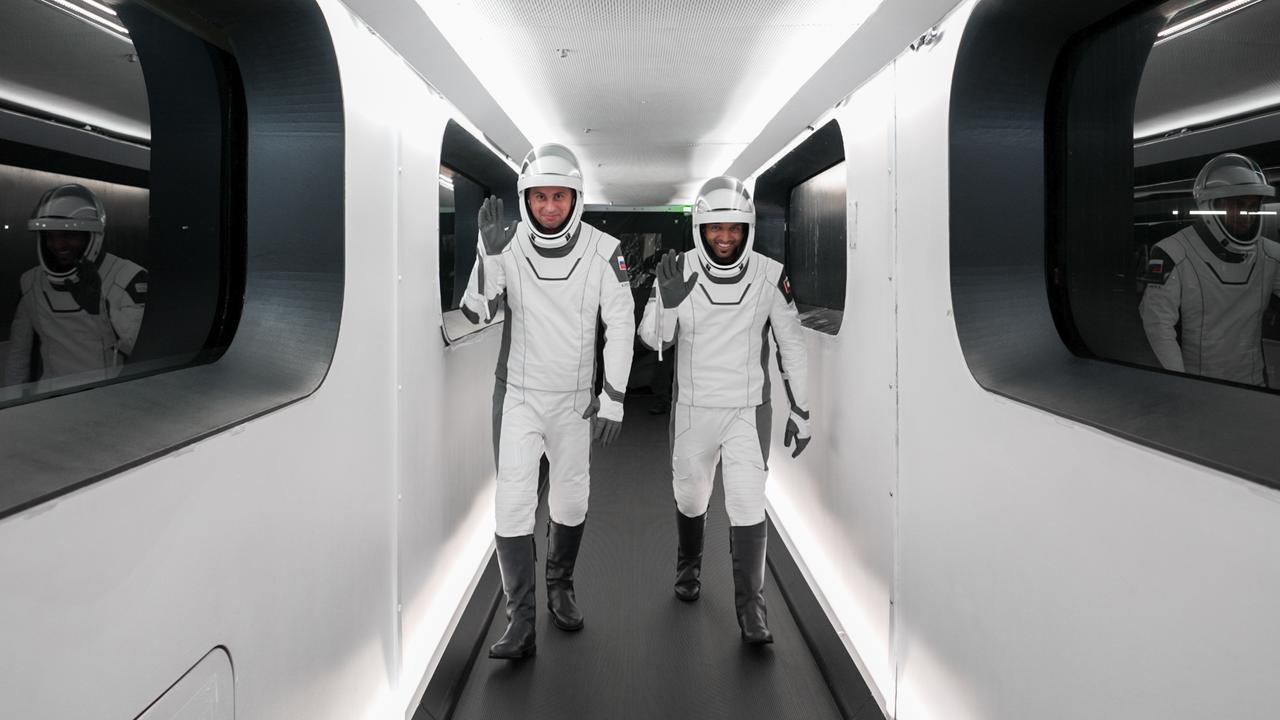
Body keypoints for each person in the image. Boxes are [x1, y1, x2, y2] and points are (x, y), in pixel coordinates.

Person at [460, 143, 635, 659]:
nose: (550, 207)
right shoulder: (504, 243)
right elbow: (477, 311)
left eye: (560, 196)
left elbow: (621, 324)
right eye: (540, 197)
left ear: (576, 198)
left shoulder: (605, 251)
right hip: (518, 394)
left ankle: (560, 587)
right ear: (526, 199)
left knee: (571, 500)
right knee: (512, 505)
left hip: (575, 401)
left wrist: (614, 397)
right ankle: (521, 621)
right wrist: (488, 256)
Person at [637, 176, 811, 644]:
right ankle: (688, 566)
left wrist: (803, 409)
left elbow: (791, 345)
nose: (726, 237)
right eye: (716, 228)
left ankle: (751, 609)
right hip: (693, 409)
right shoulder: (675, 271)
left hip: (747, 411)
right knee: (691, 500)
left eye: (734, 227)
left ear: (748, 227)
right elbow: (653, 339)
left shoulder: (770, 276)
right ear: (700, 227)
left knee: (747, 503)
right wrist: (667, 306)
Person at [1140, 152, 1280, 386]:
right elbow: (1157, 326)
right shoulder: (1173, 253)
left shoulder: (1271, 255)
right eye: (1236, 205)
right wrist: (1181, 385)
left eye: (1251, 206)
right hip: (1201, 384)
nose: (1244, 215)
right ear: (1210, 206)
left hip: (1253, 381)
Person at [3, 183, 147, 389]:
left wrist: (103, 309)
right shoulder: (31, 281)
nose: (57, 245)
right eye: (50, 236)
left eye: (69, 235)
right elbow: (18, 354)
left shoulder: (127, 277)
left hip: (110, 399)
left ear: (92, 236)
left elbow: (141, 346)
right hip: (52, 400)